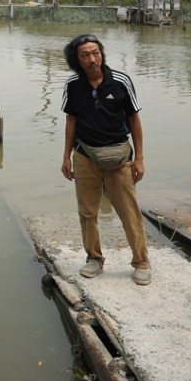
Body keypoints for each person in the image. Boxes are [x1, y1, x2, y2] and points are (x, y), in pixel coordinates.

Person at [60, 34, 152, 286]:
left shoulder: (121, 81)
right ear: (77, 60)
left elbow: (134, 119)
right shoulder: (72, 85)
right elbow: (71, 121)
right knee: (88, 212)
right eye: (85, 55)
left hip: (119, 157)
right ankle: (94, 258)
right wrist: (66, 157)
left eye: (96, 52)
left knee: (129, 212)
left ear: (102, 54)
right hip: (84, 157)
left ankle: (141, 262)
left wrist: (140, 158)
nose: (92, 59)